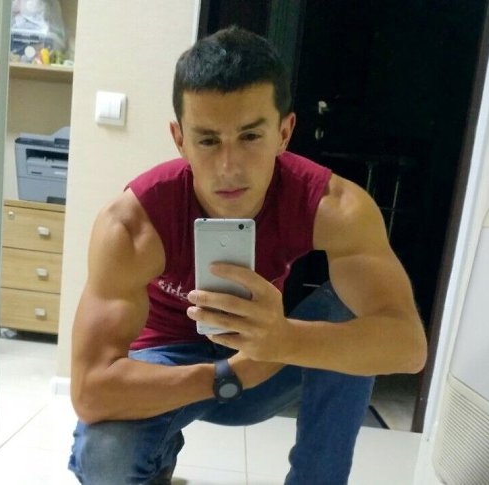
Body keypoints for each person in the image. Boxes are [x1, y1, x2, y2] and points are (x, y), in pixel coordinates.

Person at [67, 26, 427, 484]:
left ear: (284, 132)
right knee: (104, 455)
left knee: (354, 311)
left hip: (267, 359)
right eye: (208, 140)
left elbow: (407, 348)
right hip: (169, 364)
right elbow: (90, 392)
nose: (229, 167)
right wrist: (226, 374)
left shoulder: (336, 207)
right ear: (179, 139)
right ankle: (156, 459)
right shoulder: (131, 224)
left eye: (251, 136)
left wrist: (284, 340)